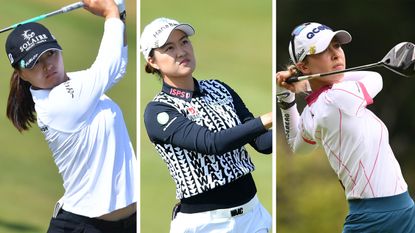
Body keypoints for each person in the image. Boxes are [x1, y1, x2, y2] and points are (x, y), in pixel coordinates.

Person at [4, 0, 136, 232]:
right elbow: (110, 64)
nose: (47, 66)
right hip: (83, 226)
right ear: (22, 75)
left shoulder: (77, 84)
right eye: (35, 63)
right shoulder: (58, 103)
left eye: (50, 54)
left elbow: (119, 67)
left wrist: (120, 14)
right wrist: (111, 12)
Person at [276, 22, 415, 233]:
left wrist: (285, 96)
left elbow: (297, 145)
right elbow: (375, 78)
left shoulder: (313, 109)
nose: (336, 55)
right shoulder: (336, 98)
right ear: (304, 67)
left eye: (337, 46)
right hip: (376, 220)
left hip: (402, 209)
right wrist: (307, 82)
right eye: (324, 50)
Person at [141, 17, 273, 233]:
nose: (182, 51)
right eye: (169, 48)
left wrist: (290, 113)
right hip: (206, 224)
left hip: (252, 217)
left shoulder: (219, 88)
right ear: (152, 61)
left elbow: (262, 143)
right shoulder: (158, 111)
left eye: (184, 42)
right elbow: (212, 143)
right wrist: (266, 120)